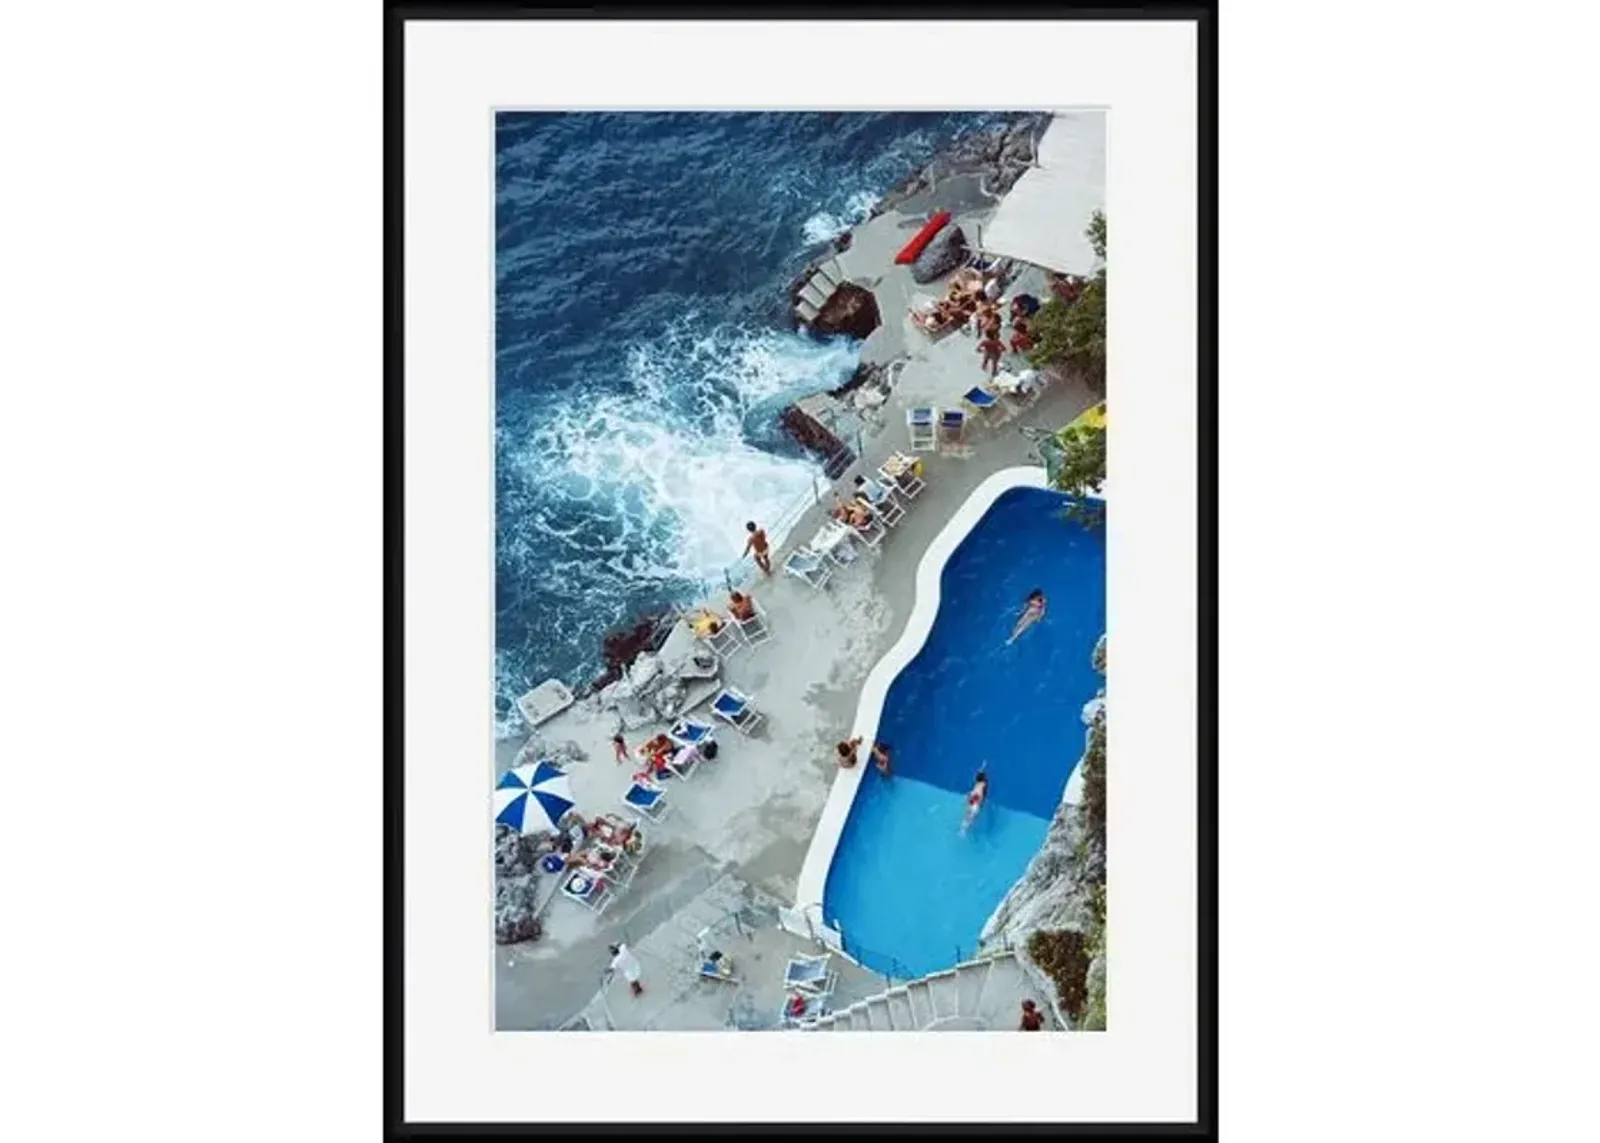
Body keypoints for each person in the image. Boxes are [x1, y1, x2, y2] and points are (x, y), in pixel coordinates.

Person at [961, 770, 988, 834]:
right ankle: (965, 830)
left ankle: (963, 828)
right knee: (972, 817)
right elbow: (983, 795)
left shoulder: (976, 784)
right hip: (976, 801)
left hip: (972, 799)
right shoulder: (984, 784)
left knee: (967, 815)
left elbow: (972, 794)